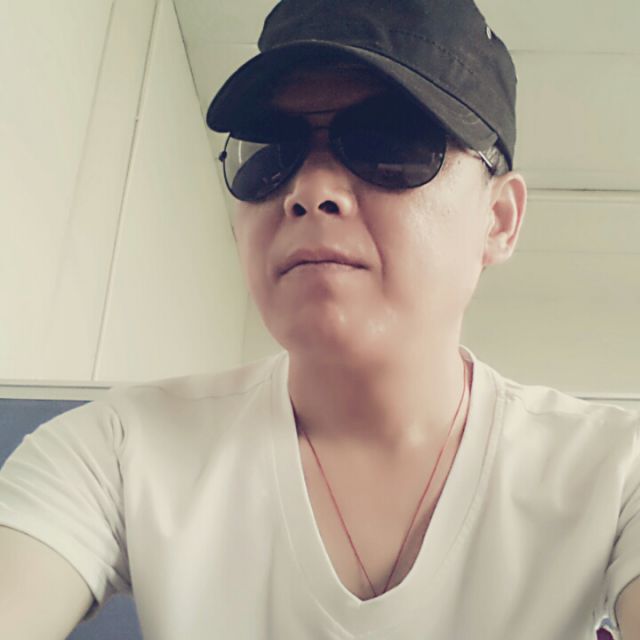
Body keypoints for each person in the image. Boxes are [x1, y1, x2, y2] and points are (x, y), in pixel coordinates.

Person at [0, 0, 639, 638]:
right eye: (272, 148)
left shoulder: (613, 473)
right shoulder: (117, 453)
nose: (309, 190)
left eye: (388, 141)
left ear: (498, 219)